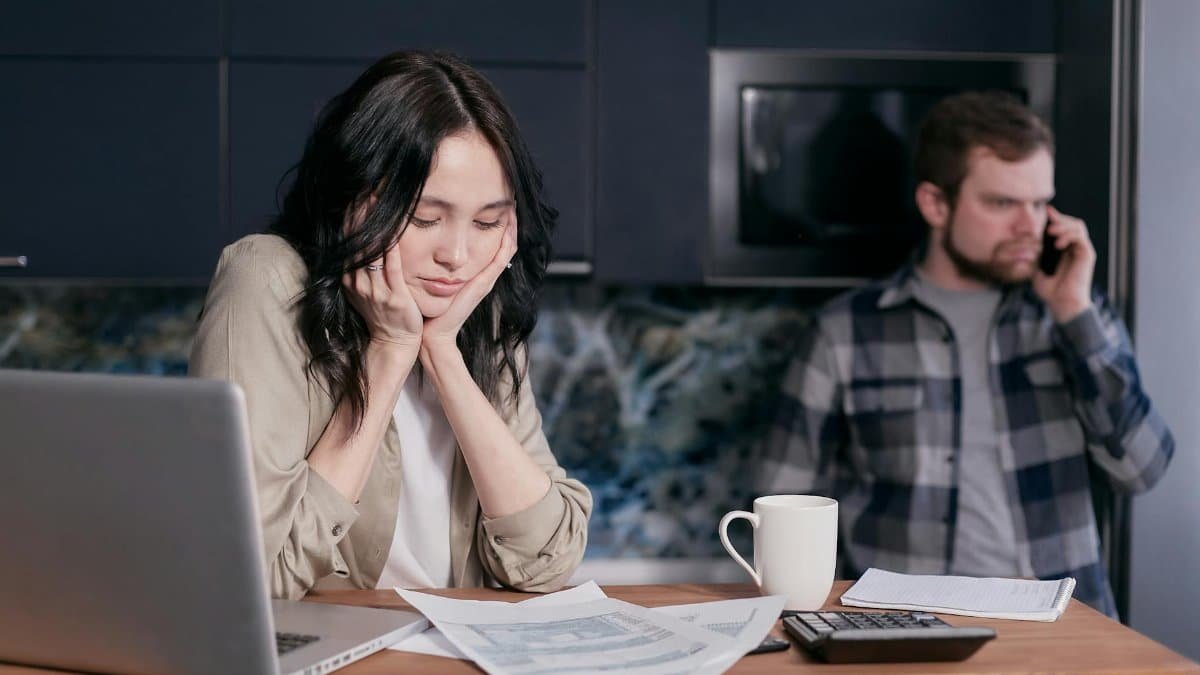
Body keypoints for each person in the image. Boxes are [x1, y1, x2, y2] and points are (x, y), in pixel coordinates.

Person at [189, 51, 592, 599]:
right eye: (426, 218)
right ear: (354, 201)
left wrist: (444, 354)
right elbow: (253, 577)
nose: (457, 253)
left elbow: (545, 562)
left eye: (487, 221)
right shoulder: (266, 281)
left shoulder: (474, 305)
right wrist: (389, 349)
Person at [762, 91, 1173, 617]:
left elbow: (1141, 469)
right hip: (902, 632)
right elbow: (780, 511)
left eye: (1040, 202)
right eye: (1002, 203)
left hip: (1063, 634)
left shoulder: (1076, 313)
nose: (1031, 226)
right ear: (936, 204)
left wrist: (1075, 315)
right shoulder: (845, 333)